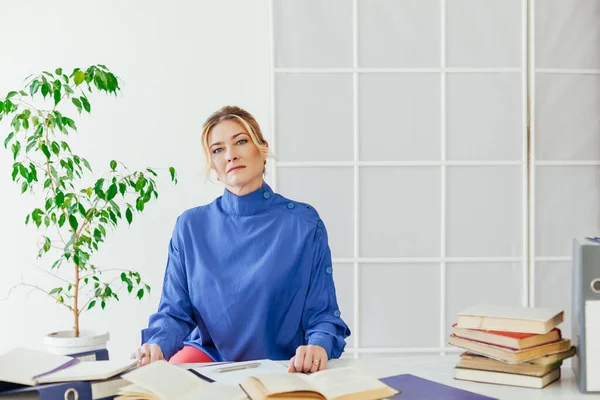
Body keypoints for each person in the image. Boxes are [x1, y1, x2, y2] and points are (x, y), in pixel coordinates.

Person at [132, 105, 350, 373]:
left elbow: (323, 315)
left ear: (262, 149)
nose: (231, 155)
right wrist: (157, 345)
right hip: (209, 360)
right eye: (218, 150)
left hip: (282, 366)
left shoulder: (303, 224)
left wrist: (319, 346)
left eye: (241, 142)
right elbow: (175, 313)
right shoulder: (190, 227)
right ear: (213, 165)